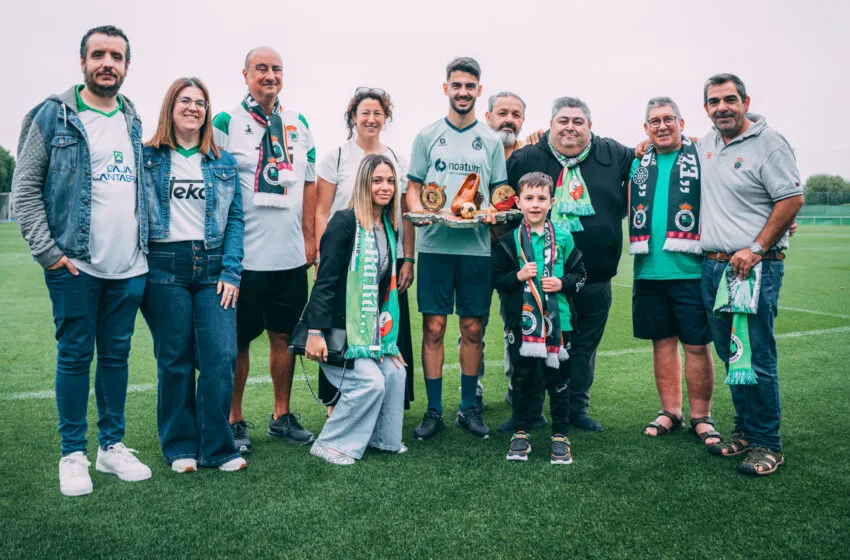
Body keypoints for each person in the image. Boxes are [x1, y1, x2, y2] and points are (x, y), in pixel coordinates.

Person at [12, 25, 151, 496]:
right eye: (98, 55)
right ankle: (72, 453)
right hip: (75, 265)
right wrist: (49, 254)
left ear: (127, 65)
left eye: (116, 56)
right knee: (75, 356)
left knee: (117, 357)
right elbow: (25, 190)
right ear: (83, 62)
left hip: (129, 266)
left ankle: (111, 447)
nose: (107, 63)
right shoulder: (53, 116)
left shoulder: (133, 119)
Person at [212, 46, 317, 453]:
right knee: (237, 342)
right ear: (245, 74)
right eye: (261, 68)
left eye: (276, 69)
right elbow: (216, 182)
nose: (269, 75)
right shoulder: (225, 121)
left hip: (289, 256)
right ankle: (235, 420)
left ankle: (281, 415)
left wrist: (310, 239)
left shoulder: (298, 122)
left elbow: (308, 183)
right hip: (244, 257)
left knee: (283, 337)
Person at [507, 97, 634, 432]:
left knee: (583, 348)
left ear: (590, 126)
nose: (570, 127)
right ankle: (529, 412)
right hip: (535, 282)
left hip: (593, 275)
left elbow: (647, 165)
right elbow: (501, 195)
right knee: (531, 345)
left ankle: (576, 409)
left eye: (578, 121)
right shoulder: (528, 156)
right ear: (550, 124)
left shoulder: (613, 154)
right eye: (563, 120)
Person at [698, 74, 802, 476]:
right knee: (731, 354)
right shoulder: (707, 143)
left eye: (729, 99)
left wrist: (757, 247)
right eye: (713, 101)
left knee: (756, 353)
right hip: (713, 265)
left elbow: (791, 198)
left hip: (753, 267)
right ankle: (743, 431)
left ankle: (768, 444)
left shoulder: (769, 141)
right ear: (705, 108)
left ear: (745, 101)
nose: (721, 107)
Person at [141, 77, 246, 473]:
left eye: (200, 103)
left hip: (213, 267)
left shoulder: (221, 160)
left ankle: (218, 448)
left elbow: (235, 219)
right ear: (171, 107)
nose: (193, 108)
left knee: (220, 357)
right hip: (164, 266)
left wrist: (232, 271)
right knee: (175, 359)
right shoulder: (147, 156)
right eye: (185, 101)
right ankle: (181, 446)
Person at [406, 57, 508, 441]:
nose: (463, 92)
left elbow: (499, 194)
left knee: (473, 328)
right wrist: (420, 212)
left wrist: (493, 213)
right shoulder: (427, 135)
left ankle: (468, 408)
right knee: (433, 328)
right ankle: (434, 411)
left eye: (470, 86)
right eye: (457, 85)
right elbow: (413, 186)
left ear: (479, 91)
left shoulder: (492, 140)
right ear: (445, 88)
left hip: (475, 249)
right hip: (435, 245)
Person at [315, 88, 415, 415]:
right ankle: (336, 405)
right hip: (347, 259)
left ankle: (385, 406)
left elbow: (402, 214)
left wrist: (406, 258)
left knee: (385, 324)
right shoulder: (338, 157)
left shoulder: (397, 159)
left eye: (378, 113)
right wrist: (321, 257)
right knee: (342, 328)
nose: (371, 119)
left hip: (386, 258)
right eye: (365, 113)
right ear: (353, 117)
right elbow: (321, 210)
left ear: (386, 118)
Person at [304, 154, 408, 465]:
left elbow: (379, 293)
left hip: (371, 333)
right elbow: (326, 281)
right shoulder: (344, 221)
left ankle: (382, 439)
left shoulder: (388, 228)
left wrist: (386, 344)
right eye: (377, 180)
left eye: (390, 181)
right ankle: (331, 444)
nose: (385, 187)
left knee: (395, 373)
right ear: (364, 183)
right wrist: (314, 332)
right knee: (370, 382)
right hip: (338, 334)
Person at [628, 97, 719, 445]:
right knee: (662, 345)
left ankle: (701, 415)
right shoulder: (637, 162)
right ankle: (671, 412)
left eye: (669, 119)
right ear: (646, 128)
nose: (662, 126)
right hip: (648, 271)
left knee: (696, 346)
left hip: (692, 270)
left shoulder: (701, 156)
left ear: (682, 122)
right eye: (655, 121)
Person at [493, 172, 586, 464]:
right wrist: (517, 276)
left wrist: (563, 283)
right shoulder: (509, 242)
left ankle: (560, 435)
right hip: (522, 325)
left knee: (558, 379)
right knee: (523, 379)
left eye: (541, 198)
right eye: (529, 198)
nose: (535, 204)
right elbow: (496, 280)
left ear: (552, 201)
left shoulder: (565, 238)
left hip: (560, 325)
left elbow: (581, 275)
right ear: (518, 202)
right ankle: (521, 432)